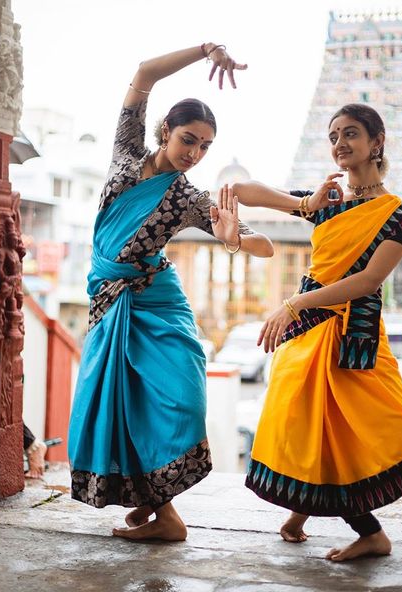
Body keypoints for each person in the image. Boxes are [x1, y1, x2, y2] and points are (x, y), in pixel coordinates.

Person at [68, 43, 274, 542]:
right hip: (111, 298)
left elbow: (265, 247)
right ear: (165, 130)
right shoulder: (124, 154)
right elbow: (143, 72)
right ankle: (154, 508)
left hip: (157, 303)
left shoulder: (187, 197)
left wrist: (233, 239)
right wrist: (206, 50)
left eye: (205, 146)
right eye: (189, 140)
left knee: (175, 400)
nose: (195, 154)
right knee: (119, 399)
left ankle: (165, 514)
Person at [235, 103, 402, 561]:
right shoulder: (329, 203)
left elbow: (367, 281)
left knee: (345, 431)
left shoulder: (400, 215)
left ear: (377, 142)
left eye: (351, 134)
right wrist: (304, 204)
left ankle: (371, 533)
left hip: (348, 335)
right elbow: (243, 191)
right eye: (334, 135)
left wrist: (294, 303)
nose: (340, 144)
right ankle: (303, 511)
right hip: (307, 331)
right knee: (301, 422)